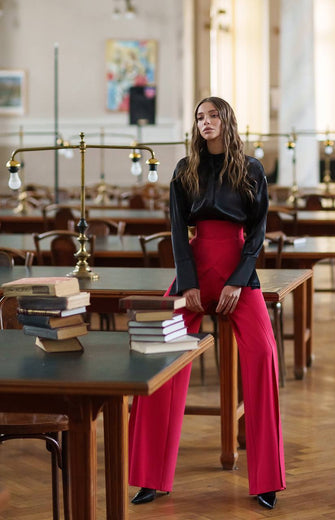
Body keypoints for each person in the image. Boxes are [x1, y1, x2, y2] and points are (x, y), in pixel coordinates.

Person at [128, 96, 286, 510]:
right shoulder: (185, 170)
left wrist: (237, 282)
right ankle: (150, 477)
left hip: (237, 271)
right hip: (194, 272)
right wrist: (188, 283)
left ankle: (267, 480)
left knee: (265, 354)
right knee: (158, 354)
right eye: (200, 116)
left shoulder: (251, 169)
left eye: (213, 115)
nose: (205, 122)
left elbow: (257, 233)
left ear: (226, 121)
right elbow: (178, 230)